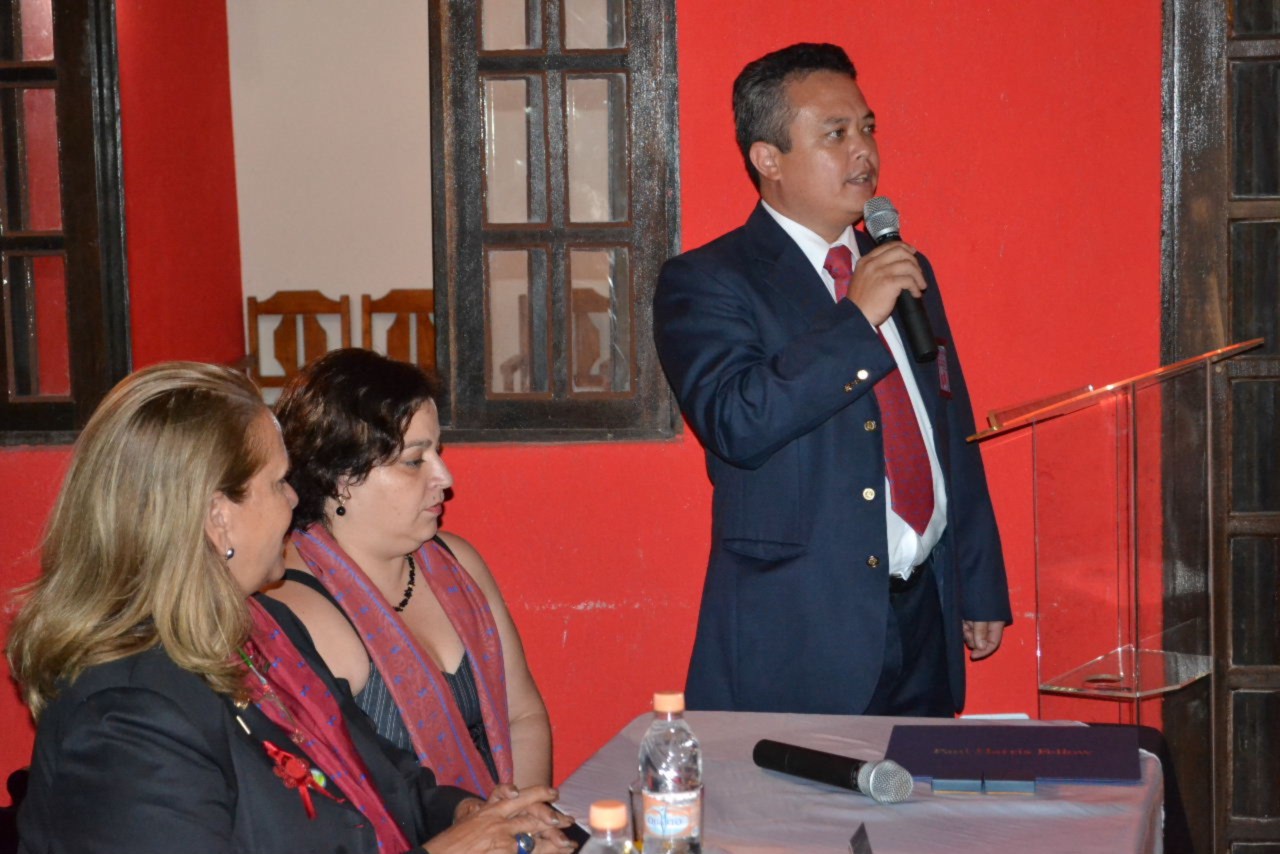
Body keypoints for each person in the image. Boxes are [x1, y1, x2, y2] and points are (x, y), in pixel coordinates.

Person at [6, 362, 572, 853]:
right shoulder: (126, 719)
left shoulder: (263, 633)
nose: (297, 498)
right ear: (218, 517)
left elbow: (391, 782)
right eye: (278, 483)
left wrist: (470, 815)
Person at [653, 43, 1012, 717]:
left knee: (921, 789)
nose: (864, 151)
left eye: (867, 127)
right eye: (836, 133)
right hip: (802, 630)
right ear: (768, 158)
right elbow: (736, 422)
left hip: (924, 612)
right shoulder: (708, 281)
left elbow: (946, 425)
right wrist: (855, 319)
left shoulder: (898, 262)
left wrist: (978, 579)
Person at [268, 348, 551, 795]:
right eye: (414, 461)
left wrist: (523, 819)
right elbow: (332, 798)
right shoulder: (299, 609)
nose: (445, 477)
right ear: (341, 476)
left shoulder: (457, 563)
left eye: (438, 452)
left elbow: (523, 715)